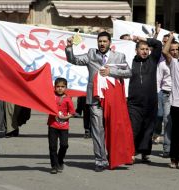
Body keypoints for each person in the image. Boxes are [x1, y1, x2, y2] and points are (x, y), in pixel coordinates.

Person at [65, 31, 132, 171]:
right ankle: (100, 160)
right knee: (97, 129)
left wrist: (111, 71)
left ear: (109, 43)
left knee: (113, 128)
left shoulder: (118, 56)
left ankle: (113, 157)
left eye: (104, 41)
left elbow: (128, 72)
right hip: (95, 99)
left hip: (112, 99)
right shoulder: (91, 54)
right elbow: (74, 60)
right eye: (100, 41)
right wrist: (69, 48)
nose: (102, 44)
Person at [128, 36, 162, 162]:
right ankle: (131, 152)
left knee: (148, 129)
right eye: (142, 49)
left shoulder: (153, 60)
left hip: (151, 102)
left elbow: (158, 44)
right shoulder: (130, 61)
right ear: (136, 50)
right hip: (134, 102)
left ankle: (145, 152)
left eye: (147, 49)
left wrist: (143, 39)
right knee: (134, 128)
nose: (144, 51)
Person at [47, 77, 75, 174]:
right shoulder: (51, 97)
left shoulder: (67, 99)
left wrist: (66, 117)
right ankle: (54, 166)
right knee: (52, 146)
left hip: (64, 126)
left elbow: (72, 112)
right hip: (52, 125)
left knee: (64, 145)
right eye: (58, 86)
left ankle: (60, 160)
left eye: (62, 87)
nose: (60, 88)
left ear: (66, 88)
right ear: (54, 87)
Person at [162, 32, 179, 169]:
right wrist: (171, 38)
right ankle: (174, 159)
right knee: (176, 133)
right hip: (177, 103)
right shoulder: (174, 63)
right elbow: (164, 50)